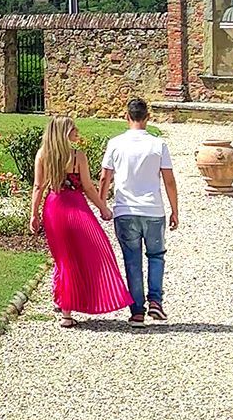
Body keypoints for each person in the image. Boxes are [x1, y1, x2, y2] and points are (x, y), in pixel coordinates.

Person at [30, 115, 133, 328]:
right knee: (96, 249)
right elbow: (87, 187)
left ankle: (63, 302)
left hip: (54, 208)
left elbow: (38, 187)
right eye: (73, 129)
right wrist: (103, 208)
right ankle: (68, 308)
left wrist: (34, 214)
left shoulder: (44, 155)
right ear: (65, 133)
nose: (77, 131)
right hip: (76, 207)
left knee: (63, 257)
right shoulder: (78, 157)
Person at [98, 97, 179, 327]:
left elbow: (105, 177)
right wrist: (175, 210)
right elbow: (169, 180)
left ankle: (136, 312)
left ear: (127, 117)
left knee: (132, 261)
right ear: (147, 118)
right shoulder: (158, 144)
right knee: (156, 256)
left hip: (125, 210)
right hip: (153, 209)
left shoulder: (115, 143)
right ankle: (155, 301)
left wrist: (103, 204)